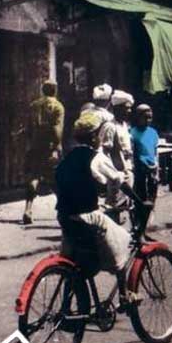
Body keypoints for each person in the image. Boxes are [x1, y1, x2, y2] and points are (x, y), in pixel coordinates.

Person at [56, 112, 140, 310]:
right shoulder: (97, 158)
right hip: (88, 217)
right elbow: (118, 180)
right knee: (124, 241)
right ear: (94, 137)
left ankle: (67, 304)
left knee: (74, 261)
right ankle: (125, 294)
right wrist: (138, 200)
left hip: (66, 216)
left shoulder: (67, 158)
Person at [22, 81, 65, 226]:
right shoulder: (57, 106)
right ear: (55, 90)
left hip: (36, 146)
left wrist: (31, 142)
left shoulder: (34, 105)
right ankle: (64, 210)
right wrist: (57, 146)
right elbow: (57, 129)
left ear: (43, 90)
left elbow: (28, 128)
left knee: (34, 176)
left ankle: (28, 210)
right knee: (56, 178)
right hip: (50, 146)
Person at [100, 90, 134, 219]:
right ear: (117, 109)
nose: (129, 111)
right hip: (116, 174)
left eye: (130, 108)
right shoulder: (110, 126)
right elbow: (104, 151)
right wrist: (111, 173)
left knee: (125, 205)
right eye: (126, 108)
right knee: (114, 205)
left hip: (127, 170)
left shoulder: (124, 125)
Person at [130, 103, 160, 234]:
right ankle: (138, 229)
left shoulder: (153, 132)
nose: (148, 120)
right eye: (145, 117)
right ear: (138, 117)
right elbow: (132, 154)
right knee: (140, 200)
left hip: (152, 170)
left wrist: (156, 168)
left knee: (151, 200)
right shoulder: (132, 133)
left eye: (150, 117)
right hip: (139, 170)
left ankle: (145, 228)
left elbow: (155, 152)